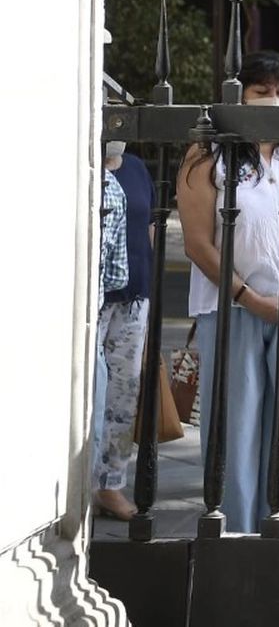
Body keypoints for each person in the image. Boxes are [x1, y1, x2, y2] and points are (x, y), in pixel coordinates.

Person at [177, 52, 279, 534]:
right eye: (260, 91)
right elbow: (197, 242)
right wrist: (250, 298)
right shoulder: (209, 154)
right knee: (236, 431)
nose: (272, 100)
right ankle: (235, 538)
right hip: (233, 311)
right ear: (238, 95)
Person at [92, 151, 135, 519]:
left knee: (124, 397)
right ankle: (80, 484)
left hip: (134, 299)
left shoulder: (135, 169)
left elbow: (150, 231)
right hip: (93, 300)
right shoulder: (90, 169)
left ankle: (111, 485)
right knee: (89, 393)